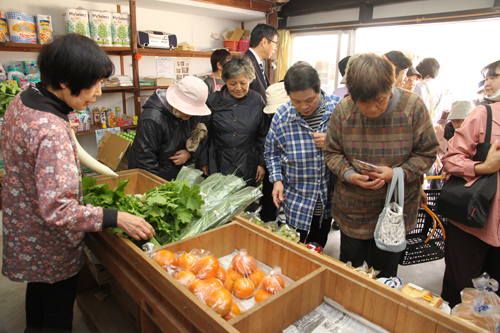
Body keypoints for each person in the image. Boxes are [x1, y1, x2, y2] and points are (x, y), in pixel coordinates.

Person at [1, 33, 155, 333]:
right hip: (49, 244)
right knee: (57, 313)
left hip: (27, 232)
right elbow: (59, 210)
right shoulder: (51, 131)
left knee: (39, 296)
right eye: (92, 83)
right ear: (62, 81)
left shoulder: (23, 101)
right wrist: (115, 217)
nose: (97, 92)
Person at [323, 53, 438, 278]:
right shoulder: (344, 110)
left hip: (394, 209)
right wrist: (349, 175)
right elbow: (331, 152)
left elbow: (428, 152)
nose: (373, 109)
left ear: (391, 88)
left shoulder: (413, 106)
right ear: (353, 96)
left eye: (380, 100)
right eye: (364, 103)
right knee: (350, 272)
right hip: (354, 210)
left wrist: (396, 173)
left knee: (384, 275)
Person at [440, 60, 500, 307]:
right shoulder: (484, 114)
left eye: (493, 76)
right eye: (487, 77)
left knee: (492, 299)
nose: (488, 82)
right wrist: (482, 167)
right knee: (460, 288)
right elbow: (451, 159)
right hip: (473, 220)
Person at [265, 63, 341, 247]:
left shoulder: (339, 110)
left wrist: (333, 142)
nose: (304, 106)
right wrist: (277, 180)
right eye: (296, 101)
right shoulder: (282, 116)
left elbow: (357, 148)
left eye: (309, 100)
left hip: (328, 200)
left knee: (318, 246)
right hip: (297, 200)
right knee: (294, 249)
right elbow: (271, 151)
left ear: (319, 89)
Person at [197, 56, 267, 187]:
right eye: (232, 84)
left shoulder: (257, 100)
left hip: (248, 163)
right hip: (219, 162)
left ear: (250, 80)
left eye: (243, 83)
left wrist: (261, 163)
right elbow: (204, 134)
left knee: (245, 203)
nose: (238, 88)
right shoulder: (213, 101)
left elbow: (263, 135)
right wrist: (203, 161)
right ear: (225, 81)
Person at [128, 76, 211, 181]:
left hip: (174, 174)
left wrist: (189, 153)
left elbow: (200, 139)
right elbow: (145, 161)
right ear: (176, 103)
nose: (191, 114)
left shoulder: (190, 115)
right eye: (188, 109)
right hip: (153, 177)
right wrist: (160, 188)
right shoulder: (151, 119)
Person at [244, 23, 279, 221]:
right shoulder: (247, 62)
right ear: (264, 41)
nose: (274, 47)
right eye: (274, 42)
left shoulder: (257, 62)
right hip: (253, 131)